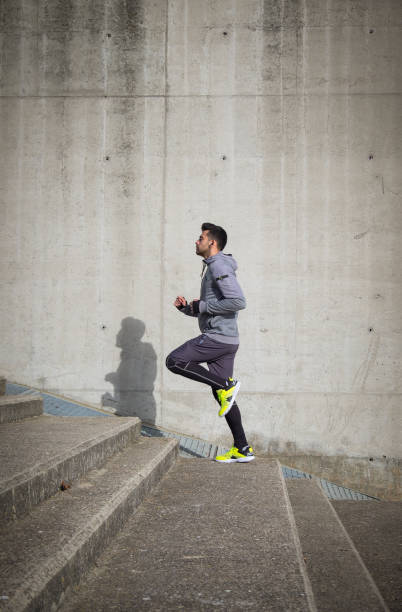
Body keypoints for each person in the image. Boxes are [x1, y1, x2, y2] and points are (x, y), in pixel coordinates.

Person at [165, 222, 254, 463]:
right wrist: (189, 309)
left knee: (175, 361)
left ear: (212, 242)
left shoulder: (219, 265)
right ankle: (242, 448)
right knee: (222, 394)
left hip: (218, 338)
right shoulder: (212, 267)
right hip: (226, 340)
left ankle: (227, 386)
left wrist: (202, 305)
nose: (197, 241)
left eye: (201, 238)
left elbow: (237, 302)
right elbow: (214, 308)